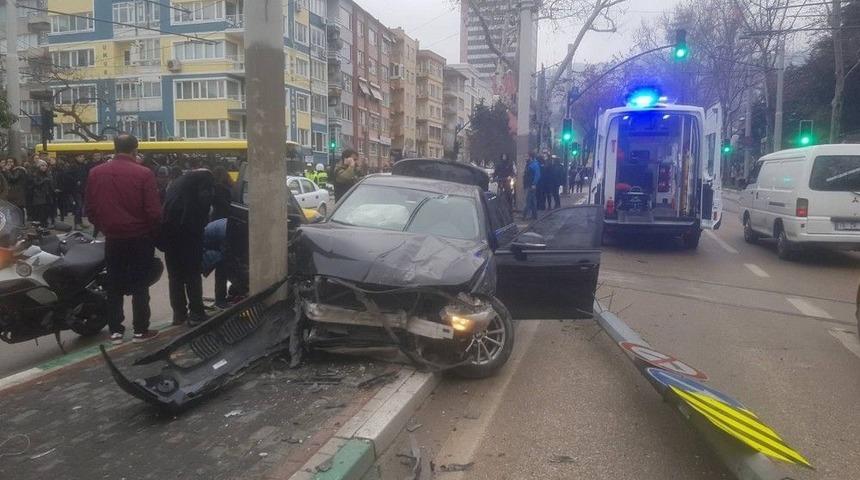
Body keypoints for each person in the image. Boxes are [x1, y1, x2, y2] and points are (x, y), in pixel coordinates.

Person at [86, 134, 162, 344]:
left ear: (115, 148)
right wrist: (152, 232)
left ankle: (116, 331)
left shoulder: (95, 173)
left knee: (114, 284)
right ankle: (140, 330)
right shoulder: (144, 173)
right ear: (135, 150)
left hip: (113, 238)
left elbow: (90, 209)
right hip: (139, 237)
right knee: (140, 284)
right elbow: (154, 212)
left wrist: (105, 227)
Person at [161, 169, 214, 327]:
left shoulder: (177, 185)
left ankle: (179, 315)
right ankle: (197, 313)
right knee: (193, 275)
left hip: (169, 235)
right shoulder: (204, 181)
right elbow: (204, 204)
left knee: (175, 277)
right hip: (189, 235)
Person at [28, 160, 54, 226]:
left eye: (45, 166)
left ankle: (45, 223)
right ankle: (41, 224)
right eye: (42, 165)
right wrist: (44, 180)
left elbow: (51, 184)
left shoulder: (48, 174)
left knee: (47, 210)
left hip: (47, 195)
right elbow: (35, 184)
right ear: (38, 166)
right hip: (38, 195)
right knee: (40, 211)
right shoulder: (35, 174)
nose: (44, 167)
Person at [523, 155, 541, 220]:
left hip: (531, 185)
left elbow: (537, 175)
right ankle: (534, 216)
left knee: (528, 201)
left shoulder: (533, 165)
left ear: (531, 157)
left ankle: (524, 215)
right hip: (530, 185)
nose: (526, 158)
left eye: (527, 157)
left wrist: (534, 183)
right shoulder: (530, 164)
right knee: (532, 201)